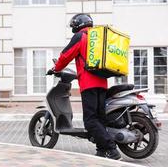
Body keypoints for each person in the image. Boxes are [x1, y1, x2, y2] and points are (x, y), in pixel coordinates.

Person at [50, 13, 121, 160]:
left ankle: (111, 149)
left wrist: (56, 68)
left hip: (88, 84)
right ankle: (102, 150)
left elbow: (66, 55)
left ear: (78, 25)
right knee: (100, 119)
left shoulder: (81, 36)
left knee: (90, 121)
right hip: (102, 82)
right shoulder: (98, 37)